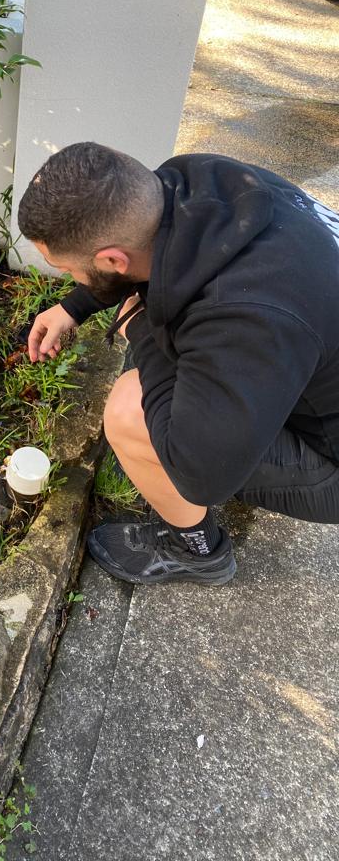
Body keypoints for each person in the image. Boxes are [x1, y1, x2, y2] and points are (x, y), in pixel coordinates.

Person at [18, 142, 339, 586]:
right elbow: (149, 259)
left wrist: (140, 328)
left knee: (131, 412)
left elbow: (199, 472)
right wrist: (74, 306)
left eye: (69, 269)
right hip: (309, 353)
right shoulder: (196, 180)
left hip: (331, 461)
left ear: (111, 259)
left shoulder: (244, 319)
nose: (70, 276)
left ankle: (197, 552)